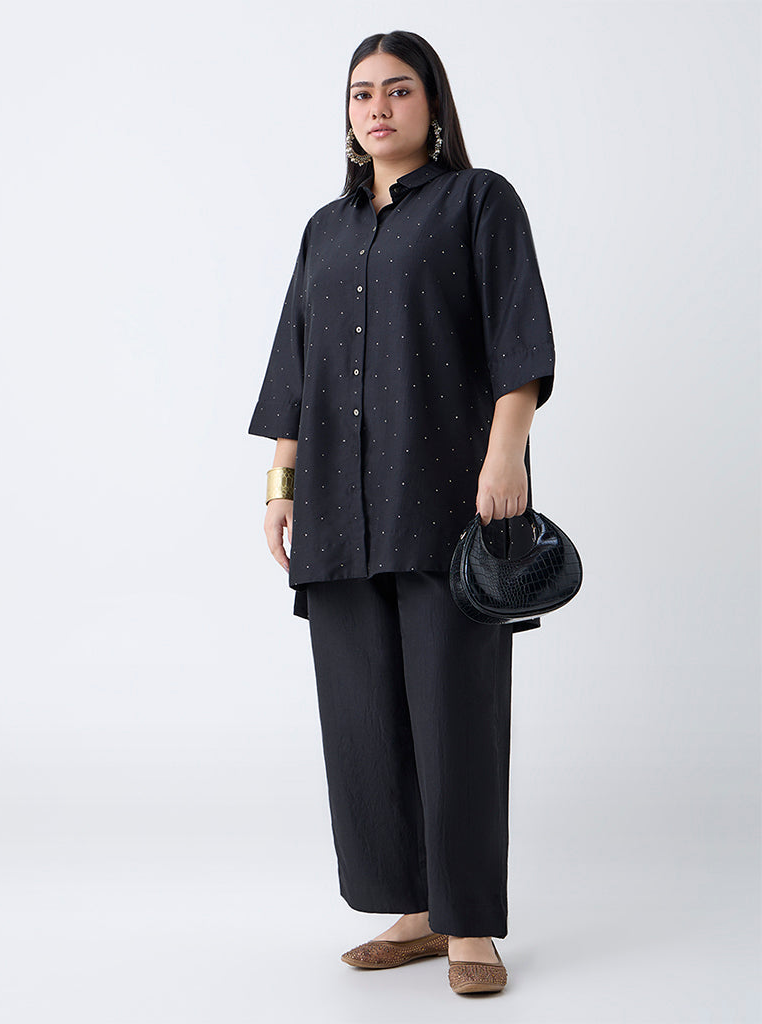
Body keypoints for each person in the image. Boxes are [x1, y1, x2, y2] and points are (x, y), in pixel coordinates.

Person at [247, 30, 556, 996]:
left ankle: (471, 927)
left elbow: (519, 337)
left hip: (448, 497)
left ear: (433, 104)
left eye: (398, 90)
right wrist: (281, 489)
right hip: (336, 508)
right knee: (365, 717)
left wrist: (505, 454)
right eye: (361, 93)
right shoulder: (325, 230)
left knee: (457, 712)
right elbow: (295, 361)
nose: (377, 108)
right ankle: (414, 912)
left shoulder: (479, 202)